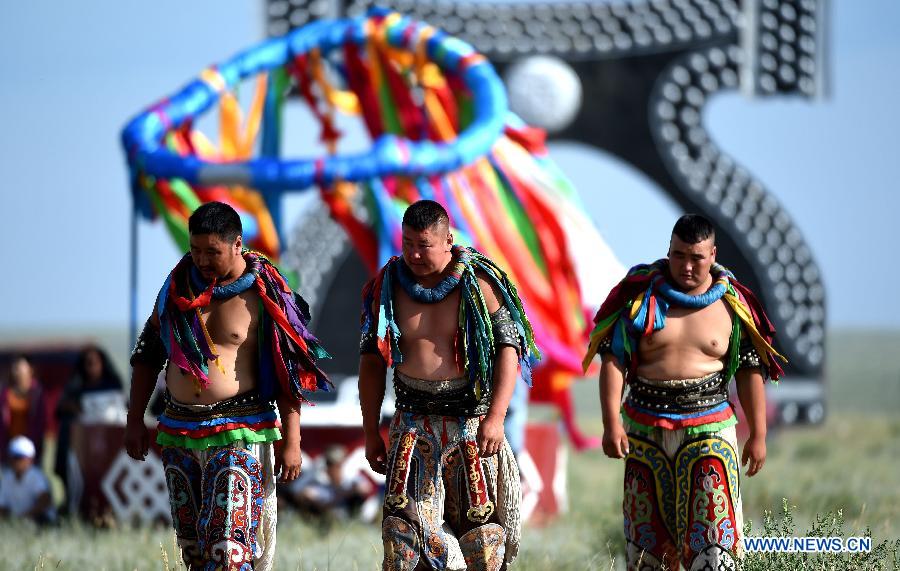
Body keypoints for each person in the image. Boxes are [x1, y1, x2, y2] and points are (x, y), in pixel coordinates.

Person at [125, 201, 331, 570]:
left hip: (240, 433)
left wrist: (293, 442)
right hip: (179, 431)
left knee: (229, 549)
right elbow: (147, 355)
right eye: (195, 250)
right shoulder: (175, 289)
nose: (202, 260)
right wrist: (134, 419)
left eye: (212, 252)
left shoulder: (265, 295)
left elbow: (288, 372)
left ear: (238, 244)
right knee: (194, 553)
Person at [583, 214, 786, 570]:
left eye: (696, 258)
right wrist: (610, 423)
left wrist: (759, 433)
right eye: (679, 255)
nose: (687, 266)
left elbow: (751, 370)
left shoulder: (734, 305)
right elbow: (614, 359)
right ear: (669, 250)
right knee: (646, 547)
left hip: (711, 429)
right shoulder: (640, 296)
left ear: (713, 255)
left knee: (714, 545)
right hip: (645, 429)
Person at [359, 200, 539, 570]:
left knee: (483, 546)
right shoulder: (388, 285)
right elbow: (372, 362)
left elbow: (510, 349)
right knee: (405, 543)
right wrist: (370, 432)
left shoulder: (480, 282)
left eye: (423, 245)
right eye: (407, 242)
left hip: (470, 430)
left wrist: (496, 416)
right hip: (411, 428)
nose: (413, 253)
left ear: (447, 241)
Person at [55, 345, 124, 515]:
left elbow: (123, 411)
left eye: (95, 362)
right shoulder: (76, 386)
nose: (91, 367)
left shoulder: (112, 385)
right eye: (88, 363)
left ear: (102, 363)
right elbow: (60, 410)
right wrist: (73, 407)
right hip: (82, 446)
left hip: (108, 442)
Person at [0, 355, 47, 464]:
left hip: (30, 448)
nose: (16, 370)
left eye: (20, 366)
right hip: (9, 447)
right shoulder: (4, 394)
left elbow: (41, 422)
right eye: (14, 367)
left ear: (30, 369)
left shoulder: (37, 394)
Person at [0, 435, 55, 524]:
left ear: (29, 459)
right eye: (13, 457)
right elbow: (2, 506)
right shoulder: (7, 478)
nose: (15, 461)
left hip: (39, 521)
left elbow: (45, 501)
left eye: (19, 457)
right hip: (18, 522)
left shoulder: (36, 476)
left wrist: (25, 516)